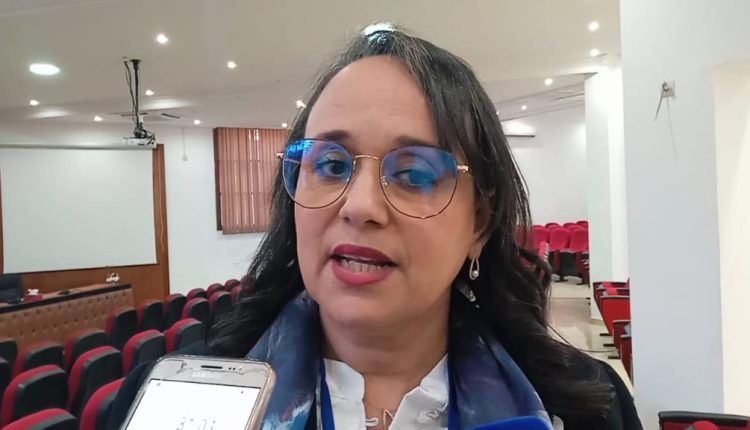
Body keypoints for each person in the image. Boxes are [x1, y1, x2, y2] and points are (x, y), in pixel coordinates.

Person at [108, 23, 642, 430]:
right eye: (331, 165)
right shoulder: (168, 406)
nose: (360, 206)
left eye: (413, 174)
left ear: (479, 221)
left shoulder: (586, 409)